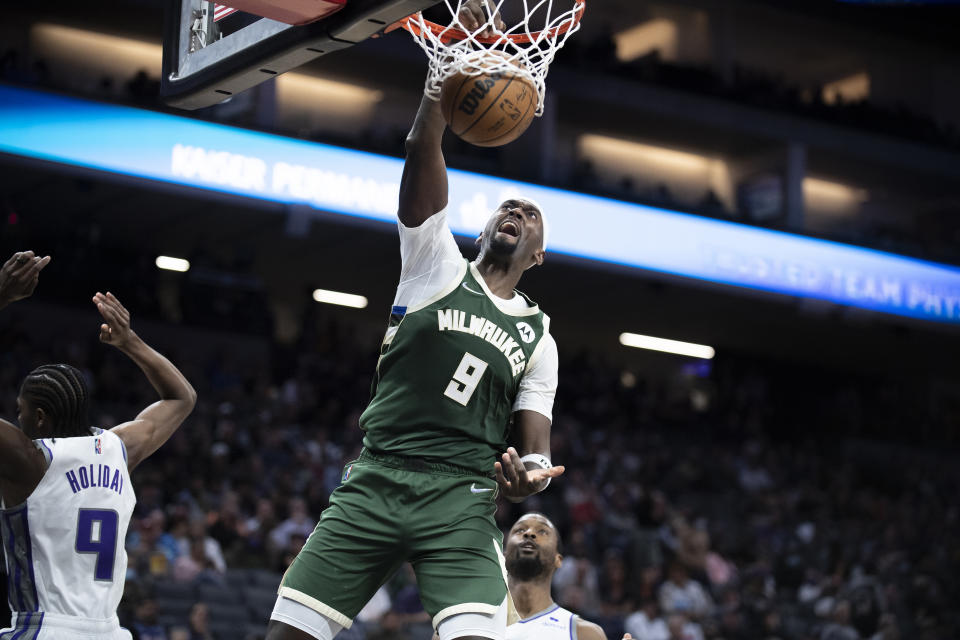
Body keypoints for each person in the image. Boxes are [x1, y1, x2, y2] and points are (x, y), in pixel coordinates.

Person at [266, 3, 562, 638]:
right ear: (482, 228)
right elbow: (421, 147)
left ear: (537, 253)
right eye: (505, 207)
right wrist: (443, 78)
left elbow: (536, 453)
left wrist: (526, 481)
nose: (515, 210)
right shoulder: (434, 261)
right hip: (378, 473)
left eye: (529, 214)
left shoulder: (538, 335)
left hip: (462, 498)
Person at [0, 250, 197, 639]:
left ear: (39, 418)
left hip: (46, 631)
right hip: (109, 632)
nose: (17, 418)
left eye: (20, 411)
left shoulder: (28, 459)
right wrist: (130, 341)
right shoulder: (119, 450)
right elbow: (181, 398)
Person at [503, 513, 606, 640]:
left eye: (542, 531)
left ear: (558, 560)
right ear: (504, 555)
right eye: (520, 530)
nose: (529, 533)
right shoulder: (476, 620)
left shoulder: (585, 634)